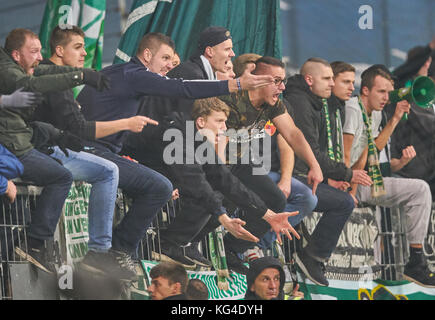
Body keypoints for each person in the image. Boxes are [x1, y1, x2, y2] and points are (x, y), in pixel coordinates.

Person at [75, 31, 273, 269]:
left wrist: (264, 213)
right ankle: (118, 251)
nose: (170, 66)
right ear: (147, 55)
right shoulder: (136, 75)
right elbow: (183, 88)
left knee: (165, 182)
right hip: (91, 151)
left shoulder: (123, 75)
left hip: (102, 150)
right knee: (160, 186)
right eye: (166, 58)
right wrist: (237, 84)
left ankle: (128, 249)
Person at [32, 25, 155, 281]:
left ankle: (98, 251)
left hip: (50, 147)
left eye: (84, 48)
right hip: (44, 150)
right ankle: (98, 252)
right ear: (58, 49)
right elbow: (78, 128)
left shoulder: (57, 77)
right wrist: (126, 123)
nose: (84, 54)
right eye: (77, 47)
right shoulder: (56, 79)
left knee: (109, 169)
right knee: (108, 171)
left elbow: (72, 126)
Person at [0, 28, 109, 273]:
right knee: (61, 176)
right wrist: (80, 76)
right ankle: (34, 244)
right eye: (34, 51)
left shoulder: (14, 64)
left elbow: (46, 70)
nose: (40, 57)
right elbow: (32, 83)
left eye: (40, 51)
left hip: (18, 144)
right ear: (17, 55)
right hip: (12, 148)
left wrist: (83, 74)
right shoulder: (7, 72)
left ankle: (31, 243)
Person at [148, 97, 299, 273]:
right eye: (219, 121)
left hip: (171, 176)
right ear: (201, 121)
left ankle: (182, 243)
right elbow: (196, 181)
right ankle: (164, 243)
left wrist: (268, 215)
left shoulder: (199, 136)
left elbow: (225, 179)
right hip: (143, 167)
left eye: (226, 122)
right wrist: (223, 217)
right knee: (208, 195)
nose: (225, 128)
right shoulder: (178, 131)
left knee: (224, 191)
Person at [342, 64, 435, 288]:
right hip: (345, 181)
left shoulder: (375, 115)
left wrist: (394, 119)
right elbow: (346, 157)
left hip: (365, 180)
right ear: (365, 90)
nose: (386, 97)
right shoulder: (353, 109)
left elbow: (371, 150)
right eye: (381, 92)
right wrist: (350, 190)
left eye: (388, 92)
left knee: (420, 189)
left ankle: (415, 259)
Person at [283, 57, 373, 286]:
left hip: (306, 176)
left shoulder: (314, 101)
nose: (332, 84)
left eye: (333, 79)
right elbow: (310, 151)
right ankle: (311, 257)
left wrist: (331, 176)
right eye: (327, 78)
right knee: (344, 203)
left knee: (342, 200)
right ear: (309, 79)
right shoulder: (300, 102)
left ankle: (306, 254)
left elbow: (317, 153)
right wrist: (347, 174)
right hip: (294, 176)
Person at [387, 42, 435, 198]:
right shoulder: (403, 93)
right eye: (426, 62)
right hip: (410, 171)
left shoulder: (425, 97)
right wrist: (428, 50)